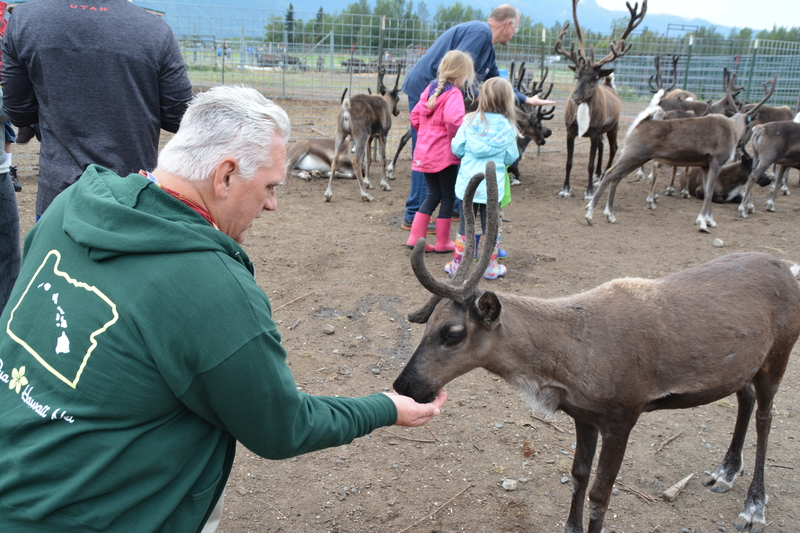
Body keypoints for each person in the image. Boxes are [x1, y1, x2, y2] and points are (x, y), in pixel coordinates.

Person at [0, 85, 447, 532]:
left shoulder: (69, 207)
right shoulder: (208, 284)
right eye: (270, 187)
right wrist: (386, 408)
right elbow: (282, 427)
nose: (272, 204)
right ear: (226, 175)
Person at [1, 0, 194, 219]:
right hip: (132, 198)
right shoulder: (155, 29)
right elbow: (180, 116)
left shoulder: (25, 19)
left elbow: (18, 110)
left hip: (60, 200)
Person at [400, 4, 555, 230]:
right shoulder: (480, 33)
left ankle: (451, 207)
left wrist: (525, 99)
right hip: (429, 93)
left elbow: (495, 82)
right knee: (429, 151)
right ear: (509, 25)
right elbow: (457, 68)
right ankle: (414, 213)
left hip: (441, 96)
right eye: (517, 29)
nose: (514, 33)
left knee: (445, 151)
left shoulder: (487, 46)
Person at [447, 77, 519, 279]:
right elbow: (511, 156)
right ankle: (489, 267)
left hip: (468, 185)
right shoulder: (508, 127)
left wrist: (468, 155)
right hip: (492, 186)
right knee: (491, 227)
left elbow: (457, 147)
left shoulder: (469, 121)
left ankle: (458, 267)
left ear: (482, 97)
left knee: (464, 226)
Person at [405, 50, 475, 253]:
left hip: (425, 152)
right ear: (461, 74)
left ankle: (414, 237)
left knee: (432, 195)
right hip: (444, 154)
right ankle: (443, 241)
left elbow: (415, 117)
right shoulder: (453, 94)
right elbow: (454, 121)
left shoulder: (429, 90)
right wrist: (457, 138)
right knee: (447, 197)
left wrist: (427, 134)